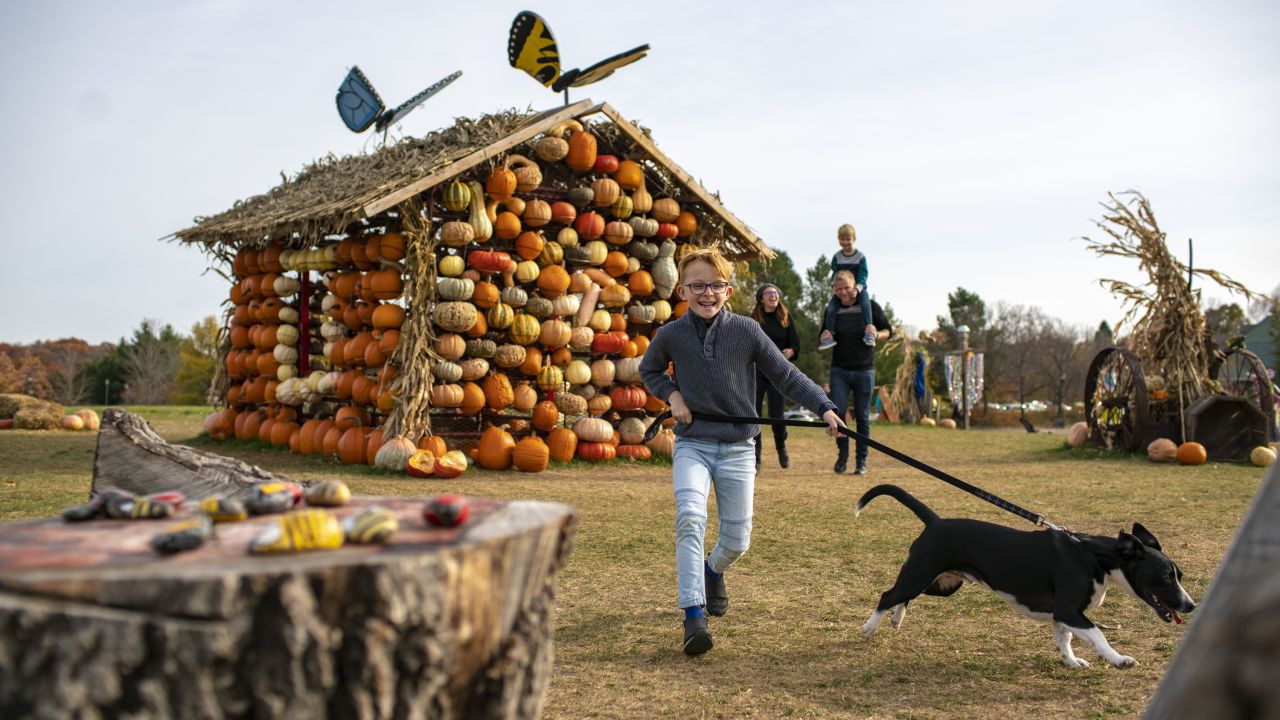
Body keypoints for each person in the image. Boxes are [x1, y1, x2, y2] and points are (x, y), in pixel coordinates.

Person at [639, 245, 842, 656]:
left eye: (716, 285)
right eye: (698, 286)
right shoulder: (671, 335)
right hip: (693, 443)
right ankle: (693, 614)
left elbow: (785, 375)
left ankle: (713, 571)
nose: (707, 293)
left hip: (738, 448)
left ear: (728, 291)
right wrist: (673, 396)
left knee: (737, 540)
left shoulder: (747, 331)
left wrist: (824, 406)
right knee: (690, 517)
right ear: (682, 290)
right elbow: (649, 370)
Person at [826, 269, 892, 475]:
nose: (843, 292)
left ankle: (861, 460)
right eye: (838, 289)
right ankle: (843, 454)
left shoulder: (870, 307)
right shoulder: (833, 309)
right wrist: (824, 335)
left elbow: (888, 331)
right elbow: (824, 334)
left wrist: (876, 334)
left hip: (864, 370)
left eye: (846, 288)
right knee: (838, 412)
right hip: (839, 370)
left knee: (862, 417)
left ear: (855, 286)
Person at [750, 283, 801, 470]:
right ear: (761, 299)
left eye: (775, 292)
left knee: (776, 415)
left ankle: (781, 447)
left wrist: (791, 351)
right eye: (769, 293)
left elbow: (795, 344)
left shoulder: (785, 318)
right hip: (756, 372)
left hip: (777, 372)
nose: (773, 295)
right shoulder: (754, 319)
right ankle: (755, 457)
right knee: (754, 415)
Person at [819, 224, 876, 351]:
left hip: (857, 288)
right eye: (842, 239)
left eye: (848, 239)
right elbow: (834, 274)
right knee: (831, 308)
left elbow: (863, 275)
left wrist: (857, 289)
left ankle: (868, 331)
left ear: (854, 238)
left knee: (866, 303)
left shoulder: (860, 257)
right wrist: (834, 287)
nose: (845, 242)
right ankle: (829, 335)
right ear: (838, 239)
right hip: (841, 289)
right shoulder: (837, 257)